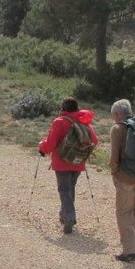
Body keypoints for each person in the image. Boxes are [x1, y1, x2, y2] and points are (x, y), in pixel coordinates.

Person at [38, 97, 98, 234]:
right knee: (70, 189)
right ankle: (63, 214)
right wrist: (83, 153)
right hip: (78, 162)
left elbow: (51, 144)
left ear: (62, 109)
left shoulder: (59, 122)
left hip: (61, 162)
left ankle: (70, 217)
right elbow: (94, 140)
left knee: (64, 190)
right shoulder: (84, 121)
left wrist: (41, 147)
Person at [107, 99, 135, 261]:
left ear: (116, 114)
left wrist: (114, 172)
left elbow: (114, 157)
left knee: (124, 212)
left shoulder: (118, 129)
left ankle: (129, 251)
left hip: (125, 176)